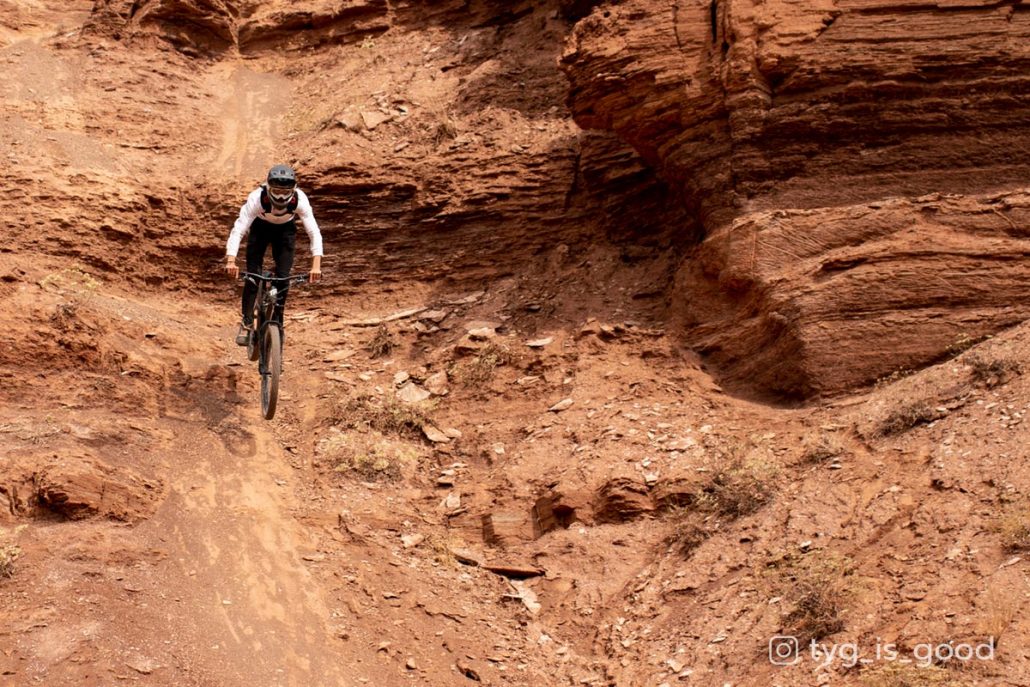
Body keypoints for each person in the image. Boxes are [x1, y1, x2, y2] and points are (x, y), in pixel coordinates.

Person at [224, 164, 323, 345]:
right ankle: (246, 323)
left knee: (283, 279)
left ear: (293, 190)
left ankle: (278, 321)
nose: (280, 196)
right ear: (268, 186)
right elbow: (238, 230)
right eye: (276, 191)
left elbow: (314, 232)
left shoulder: (300, 200)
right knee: (253, 277)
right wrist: (231, 260)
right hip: (260, 230)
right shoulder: (256, 198)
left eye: (285, 192)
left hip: (285, 232)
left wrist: (316, 266)